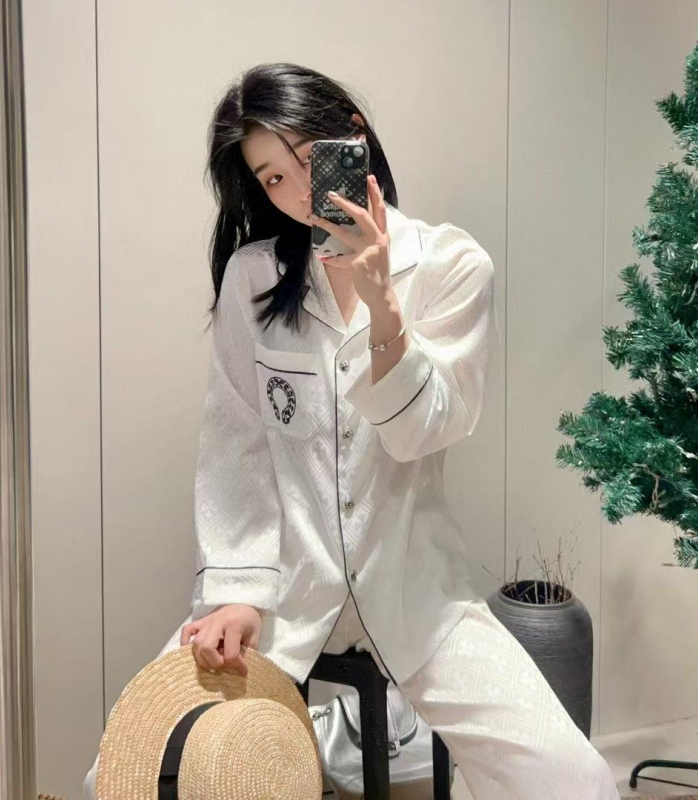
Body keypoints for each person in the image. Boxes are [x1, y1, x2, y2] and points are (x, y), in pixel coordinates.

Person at [84, 62, 620, 799]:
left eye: (310, 159)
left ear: (353, 137)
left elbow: (425, 431)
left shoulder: (452, 265)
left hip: (418, 590)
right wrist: (236, 592)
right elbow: (236, 447)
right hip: (284, 588)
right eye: (273, 178)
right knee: (126, 773)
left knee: (572, 780)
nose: (300, 191)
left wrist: (385, 310)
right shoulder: (254, 279)